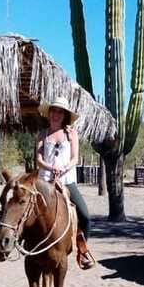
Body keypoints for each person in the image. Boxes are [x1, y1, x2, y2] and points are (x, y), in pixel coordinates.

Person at [36, 96, 95, 270]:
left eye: (60, 112)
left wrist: (63, 168)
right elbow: (38, 159)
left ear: (64, 115)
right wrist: (50, 167)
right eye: (54, 111)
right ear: (49, 113)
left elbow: (75, 158)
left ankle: (82, 249)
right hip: (45, 181)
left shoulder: (71, 134)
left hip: (67, 180)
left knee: (85, 216)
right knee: (28, 208)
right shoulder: (42, 134)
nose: (56, 114)